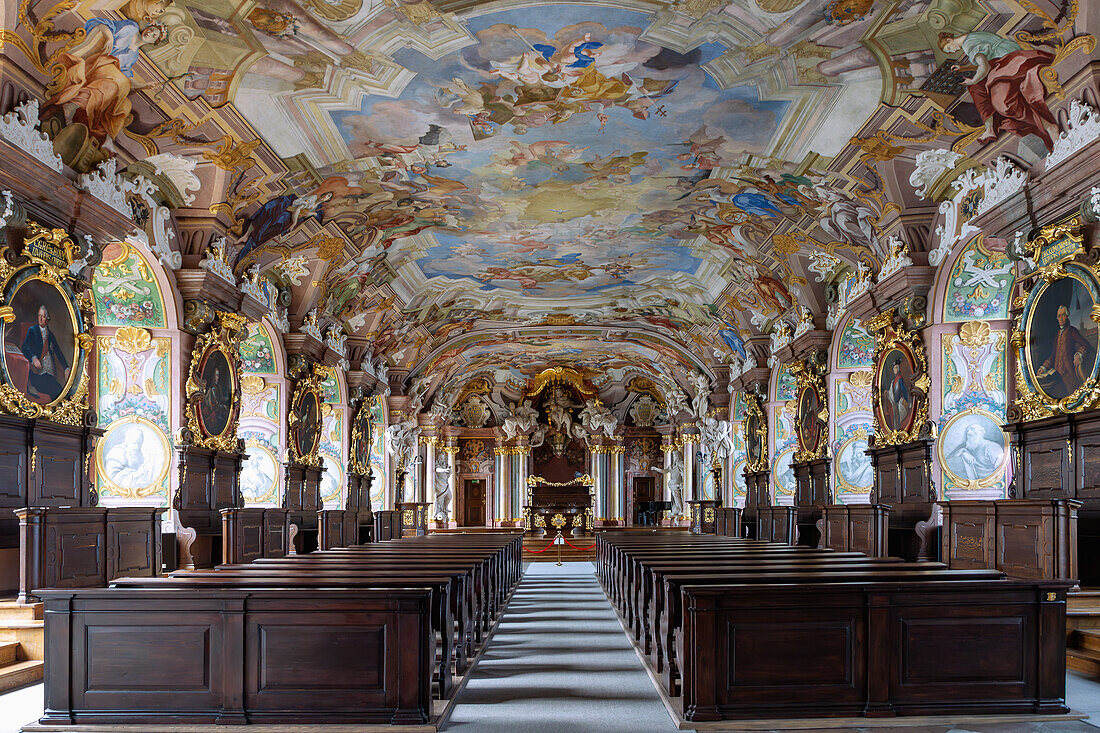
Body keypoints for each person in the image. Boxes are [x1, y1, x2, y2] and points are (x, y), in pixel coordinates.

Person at [43, 0, 172, 143]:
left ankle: (102, 139)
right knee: (118, 83)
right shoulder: (131, 27)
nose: (150, 33)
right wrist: (109, 36)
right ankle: (74, 105)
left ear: (153, 43)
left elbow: (126, 76)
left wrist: (144, 85)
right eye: (152, 29)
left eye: (154, 36)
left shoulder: (134, 56)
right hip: (98, 63)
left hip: (110, 75)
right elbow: (100, 23)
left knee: (125, 104)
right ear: (148, 27)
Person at [938, 31, 1058, 151]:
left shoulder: (968, 45)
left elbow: (985, 67)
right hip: (1011, 56)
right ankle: (989, 126)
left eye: (949, 48)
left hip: (1008, 62)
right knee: (978, 88)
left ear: (949, 40)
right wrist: (965, 68)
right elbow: (988, 58)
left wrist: (972, 80)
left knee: (1002, 103)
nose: (953, 51)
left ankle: (1047, 126)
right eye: (950, 52)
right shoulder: (972, 36)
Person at [1037, 304, 1091, 398]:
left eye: (1063, 315)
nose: (1061, 318)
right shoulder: (1057, 334)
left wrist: (1079, 354)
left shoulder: (1071, 331)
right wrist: (1044, 367)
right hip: (1056, 372)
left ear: (1067, 316)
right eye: (1059, 316)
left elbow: (1085, 344)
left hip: (1068, 372)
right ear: (1057, 318)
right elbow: (1053, 355)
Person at [20, 305, 71, 402]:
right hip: (37, 373)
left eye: (43, 316)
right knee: (56, 392)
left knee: (60, 392)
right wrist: (34, 358)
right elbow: (25, 347)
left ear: (47, 319)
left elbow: (58, 352)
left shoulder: (50, 334)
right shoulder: (33, 330)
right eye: (39, 315)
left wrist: (66, 368)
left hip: (50, 373)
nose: (40, 318)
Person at [883, 354, 911, 430]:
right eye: (894, 368)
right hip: (895, 403)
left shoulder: (900, 379)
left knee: (901, 419)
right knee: (896, 418)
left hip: (900, 402)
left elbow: (904, 389)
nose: (894, 370)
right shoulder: (893, 381)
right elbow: (892, 391)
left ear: (898, 369)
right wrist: (887, 392)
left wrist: (907, 401)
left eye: (896, 368)